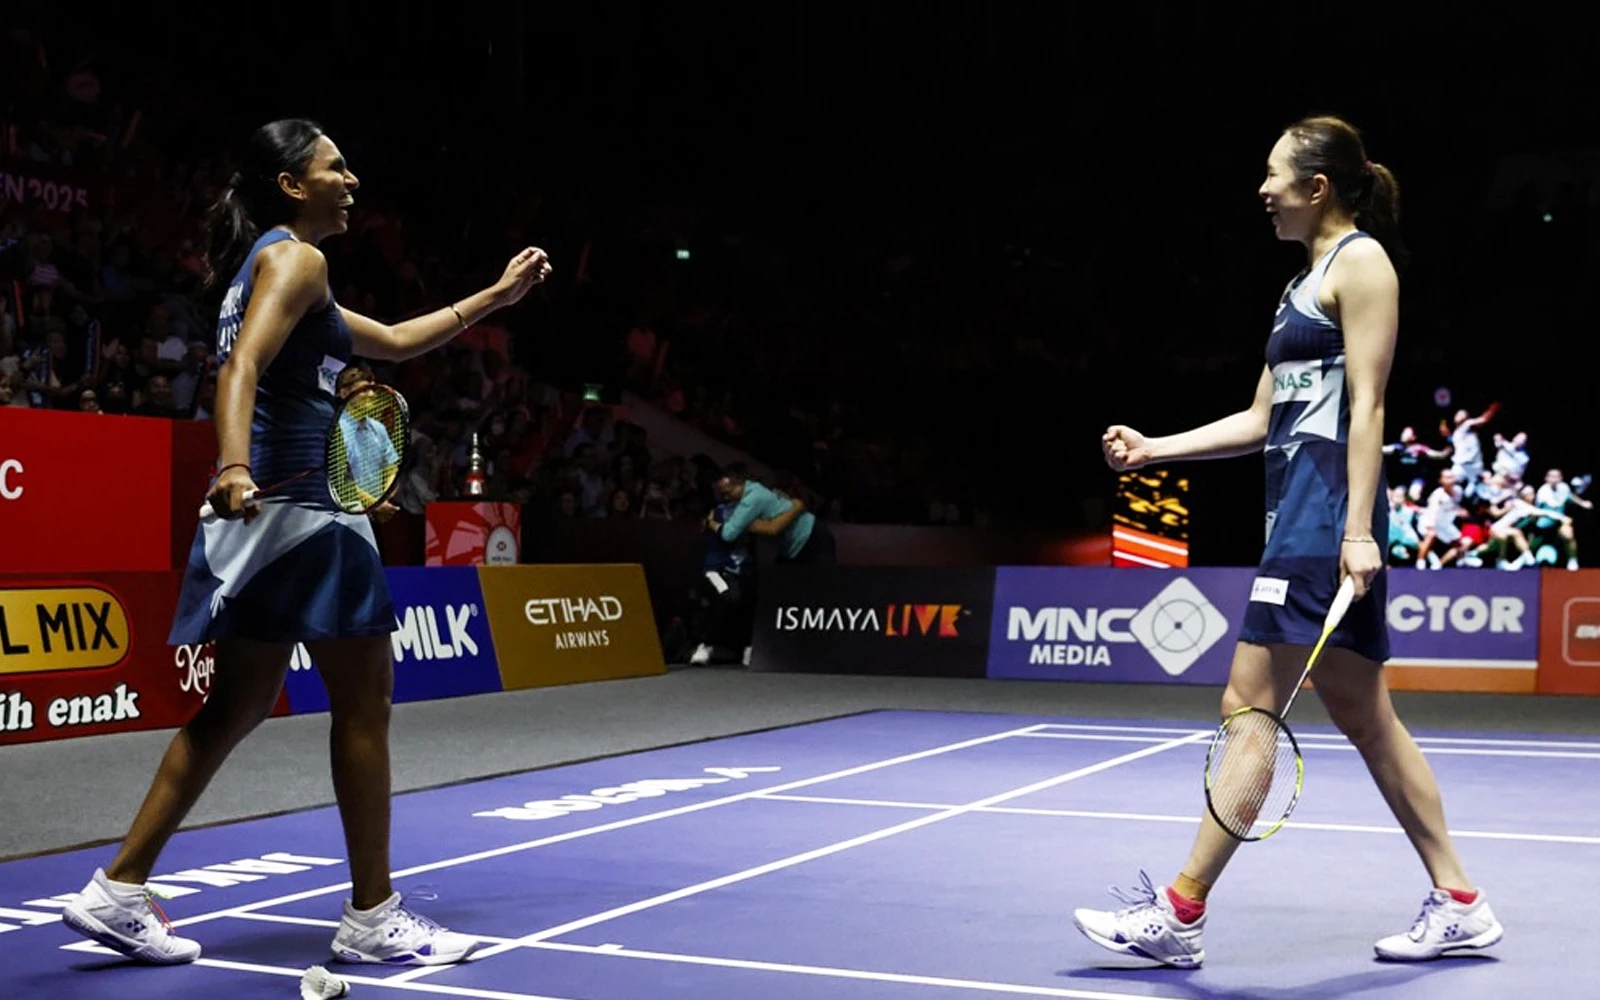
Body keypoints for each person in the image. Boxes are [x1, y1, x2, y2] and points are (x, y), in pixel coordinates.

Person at [61, 119, 551, 968]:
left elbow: (394, 341)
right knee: (364, 702)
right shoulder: (297, 260)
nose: (352, 181)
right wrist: (234, 463)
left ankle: (119, 889)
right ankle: (372, 916)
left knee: (238, 704)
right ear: (292, 184)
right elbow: (240, 368)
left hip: (269, 516)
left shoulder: (274, 268)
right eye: (336, 167)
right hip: (305, 509)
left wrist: (494, 298)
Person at [1078, 116, 1502, 967]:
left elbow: (1370, 405)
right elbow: (1260, 419)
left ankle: (1181, 912)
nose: (1263, 190)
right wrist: (1156, 449)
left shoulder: (1362, 265)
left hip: (1324, 526)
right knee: (1366, 718)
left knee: (1249, 707)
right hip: (1296, 521)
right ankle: (1460, 900)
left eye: (1275, 175)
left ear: (1318, 186)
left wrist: (1357, 531)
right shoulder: (1297, 287)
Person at [710, 463, 834, 565]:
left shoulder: (751, 499)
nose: (726, 498)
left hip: (809, 536)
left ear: (740, 483)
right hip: (793, 546)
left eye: (728, 493)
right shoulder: (753, 493)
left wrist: (712, 524)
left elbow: (728, 534)